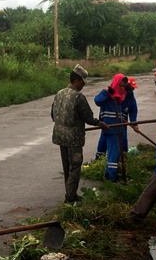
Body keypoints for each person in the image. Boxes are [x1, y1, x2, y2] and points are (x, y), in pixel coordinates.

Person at [51, 64, 107, 203]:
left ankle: (70, 194)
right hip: (73, 138)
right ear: (76, 81)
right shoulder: (78, 97)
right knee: (75, 167)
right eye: (82, 82)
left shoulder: (59, 93)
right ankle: (70, 197)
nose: (83, 86)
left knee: (66, 166)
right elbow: (88, 117)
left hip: (59, 136)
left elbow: (53, 115)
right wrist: (100, 124)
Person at [93, 74, 138, 181]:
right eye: (121, 86)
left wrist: (134, 123)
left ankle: (107, 173)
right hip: (111, 128)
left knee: (115, 152)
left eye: (123, 86)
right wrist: (106, 91)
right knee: (114, 153)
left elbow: (130, 110)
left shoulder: (120, 98)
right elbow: (97, 100)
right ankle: (112, 176)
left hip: (116, 127)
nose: (122, 88)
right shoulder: (108, 95)